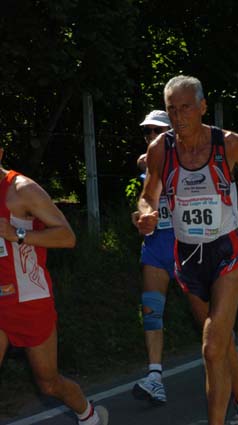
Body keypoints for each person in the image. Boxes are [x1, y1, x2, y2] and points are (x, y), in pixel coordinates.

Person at [136, 75, 238, 425]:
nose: (179, 116)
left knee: (211, 347)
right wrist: (147, 214)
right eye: (172, 109)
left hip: (226, 250)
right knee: (222, 342)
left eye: (185, 108)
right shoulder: (160, 150)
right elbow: (148, 194)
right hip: (186, 257)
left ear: (201, 107)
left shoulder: (228, 143)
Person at [0, 148, 108, 424]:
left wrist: (17, 234)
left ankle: (89, 416)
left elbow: (67, 237)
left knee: (48, 383)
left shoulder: (22, 190)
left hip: (29, 301)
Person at [130, 110, 173, 405]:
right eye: (147, 133)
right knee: (151, 310)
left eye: (156, 131)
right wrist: (143, 215)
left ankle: (226, 362)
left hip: (192, 245)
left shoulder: (192, 157)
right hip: (157, 244)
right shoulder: (148, 163)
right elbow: (146, 194)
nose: (150, 138)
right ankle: (155, 377)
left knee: (209, 316)